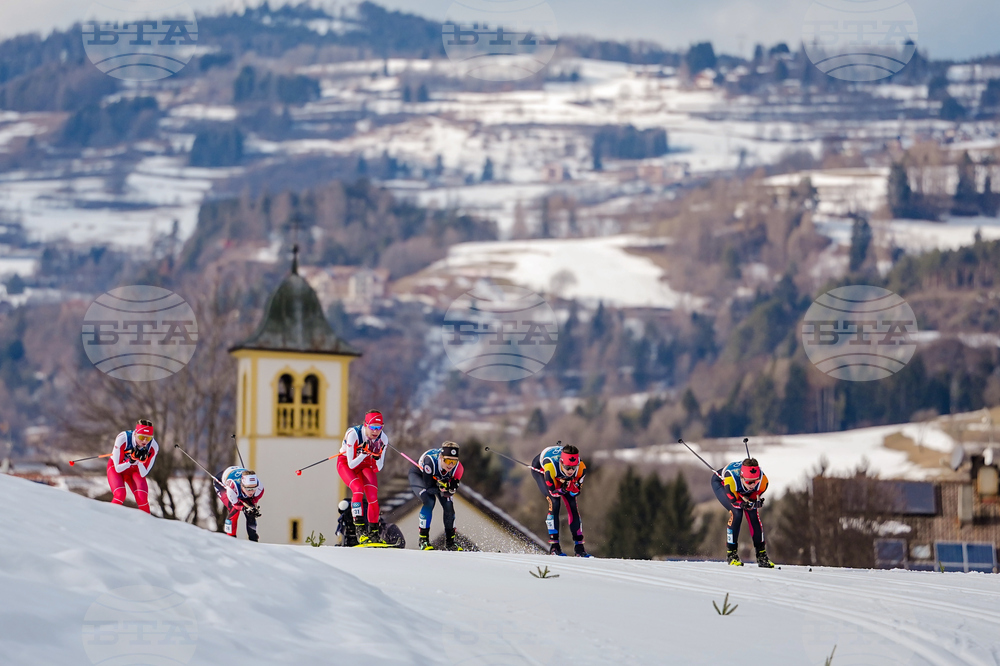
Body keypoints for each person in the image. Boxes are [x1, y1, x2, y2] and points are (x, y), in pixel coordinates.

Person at [712, 457, 774, 568]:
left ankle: (761, 556)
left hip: (741, 488)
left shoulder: (763, 482)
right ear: (741, 477)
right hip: (722, 484)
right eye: (749, 482)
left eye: (756, 481)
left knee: (753, 514)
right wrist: (742, 504)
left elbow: (754, 496)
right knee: (737, 513)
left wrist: (756, 502)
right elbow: (734, 501)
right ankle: (731, 554)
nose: (752, 485)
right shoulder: (731, 481)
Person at [338, 410, 387, 544]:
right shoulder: (353, 434)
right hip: (347, 464)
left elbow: (378, 468)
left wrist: (376, 457)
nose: (376, 431)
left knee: (372, 497)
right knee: (358, 489)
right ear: (366, 425)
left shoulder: (383, 438)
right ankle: (360, 531)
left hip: (366, 465)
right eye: (372, 427)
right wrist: (364, 453)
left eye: (379, 427)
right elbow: (351, 464)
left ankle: (374, 533)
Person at [532, 443, 589, 557]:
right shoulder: (550, 468)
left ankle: (579, 548)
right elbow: (553, 491)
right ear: (562, 463)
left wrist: (572, 487)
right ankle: (554, 547)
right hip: (541, 468)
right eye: (568, 467)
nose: (571, 471)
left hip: (559, 475)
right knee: (555, 502)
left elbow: (576, 492)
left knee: (572, 504)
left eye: (574, 467)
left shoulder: (581, 469)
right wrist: (563, 488)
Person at [409, 442, 465, 551]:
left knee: (448, 505)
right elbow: (429, 488)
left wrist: (451, 487)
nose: (450, 465)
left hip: (438, 481)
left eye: (454, 462)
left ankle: (450, 543)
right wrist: (442, 487)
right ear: (441, 458)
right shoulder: (430, 461)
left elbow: (450, 492)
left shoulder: (458, 469)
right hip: (420, 476)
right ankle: (423, 540)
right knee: (429, 501)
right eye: (448, 461)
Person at [107, 419, 159, 513]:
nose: (144, 441)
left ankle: (147, 525)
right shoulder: (123, 438)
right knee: (120, 495)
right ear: (135, 434)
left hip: (135, 471)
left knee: (142, 498)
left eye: (148, 438)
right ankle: (107, 518)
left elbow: (143, 473)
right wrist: (130, 461)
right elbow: (118, 468)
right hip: (117, 468)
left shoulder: (153, 447)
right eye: (141, 437)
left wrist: (139, 461)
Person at [217, 466, 264, 542]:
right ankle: (230, 538)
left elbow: (253, 501)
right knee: (234, 511)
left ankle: (253, 539)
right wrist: (243, 508)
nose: (251, 492)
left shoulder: (260, 489)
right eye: (249, 489)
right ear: (242, 485)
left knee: (250, 512)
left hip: (236, 473)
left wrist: (252, 508)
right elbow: (235, 505)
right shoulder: (232, 488)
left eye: (254, 488)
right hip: (221, 480)